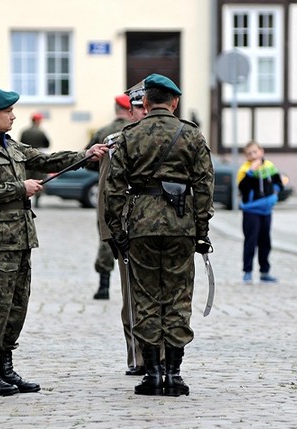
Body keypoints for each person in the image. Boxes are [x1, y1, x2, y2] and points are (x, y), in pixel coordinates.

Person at [0, 88, 107, 396]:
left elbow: (46, 158)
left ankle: (5, 368)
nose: (13, 116)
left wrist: (86, 154)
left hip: (21, 238)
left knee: (16, 306)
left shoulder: (11, 146)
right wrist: (19, 187)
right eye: (8, 111)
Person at [104, 73, 214, 396]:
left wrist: (116, 228)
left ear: (146, 103)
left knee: (146, 297)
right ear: (174, 102)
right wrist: (201, 229)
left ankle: (151, 373)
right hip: (181, 226)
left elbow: (114, 188)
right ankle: (174, 375)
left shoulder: (129, 135)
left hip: (141, 226)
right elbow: (205, 185)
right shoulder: (191, 136)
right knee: (178, 296)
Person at [91, 84, 150, 376]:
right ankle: (139, 357)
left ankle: (164, 358)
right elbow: (104, 190)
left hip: (163, 232)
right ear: (130, 110)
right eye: (138, 107)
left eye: (147, 106)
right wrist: (109, 233)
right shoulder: (115, 143)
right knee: (132, 299)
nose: (143, 112)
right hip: (128, 230)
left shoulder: (173, 137)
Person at [86, 94, 134, 300]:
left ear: (116, 109)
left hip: (107, 191)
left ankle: (103, 285)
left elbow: (87, 160)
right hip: (133, 192)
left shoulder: (103, 132)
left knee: (106, 237)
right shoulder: (135, 131)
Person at [237, 141, 284, 284]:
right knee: (250, 241)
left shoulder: (269, 166)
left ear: (261, 152)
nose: (253, 155)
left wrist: (275, 192)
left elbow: (278, 182)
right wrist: (251, 172)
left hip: (266, 211)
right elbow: (242, 187)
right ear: (246, 156)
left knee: (265, 241)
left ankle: (265, 271)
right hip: (251, 211)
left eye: (255, 152)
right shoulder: (245, 169)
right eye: (249, 153)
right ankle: (247, 272)